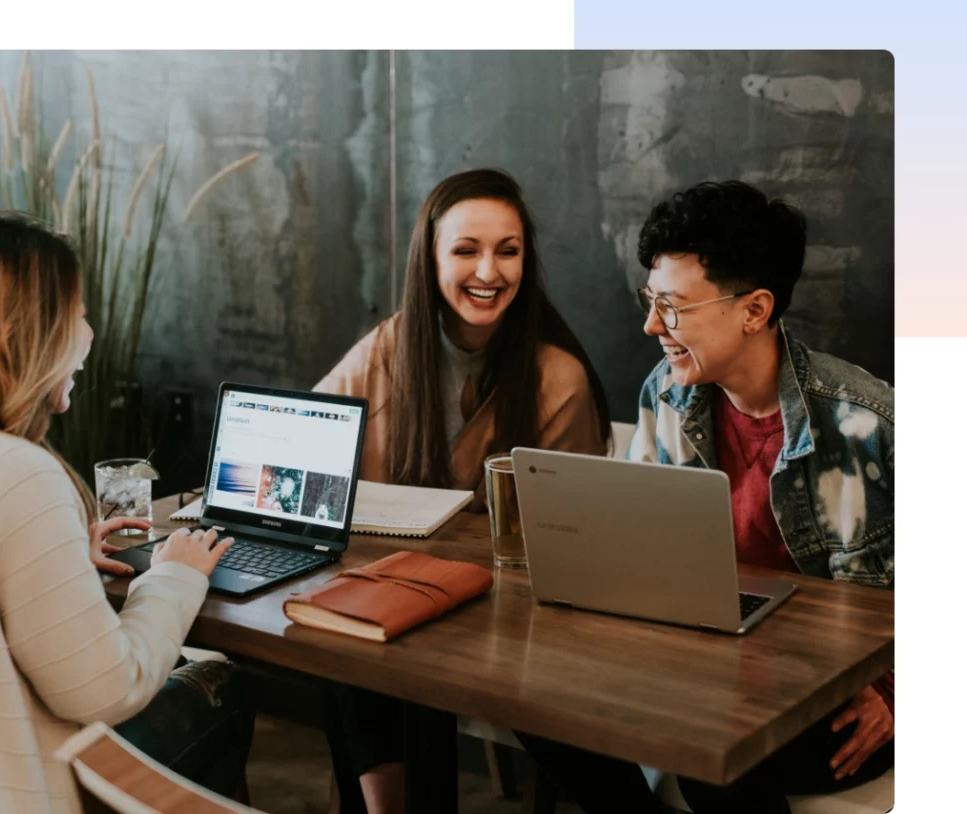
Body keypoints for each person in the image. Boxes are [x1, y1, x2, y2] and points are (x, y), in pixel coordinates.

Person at [518, 180, 894, 814]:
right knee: (533, 702)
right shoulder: (666, 394)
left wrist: (896, 689)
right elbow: (637, 550)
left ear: (754, 310)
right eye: (650, 300)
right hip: (705, 665)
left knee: (706, 740)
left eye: (672, 306)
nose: (650, 325)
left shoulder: (867, 422)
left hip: (834, 694)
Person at [315, 168, 612, 813]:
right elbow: (313, 436)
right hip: (395, 597)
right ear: (431, 258)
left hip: (507, 617)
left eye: (508, 251)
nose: (489, 271)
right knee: (346, 635)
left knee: (383, 650)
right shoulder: (392, 346)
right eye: (466, 250)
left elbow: (569, 538)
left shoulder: (555, 377)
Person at [0, 212, 254, 814]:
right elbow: (105, 690)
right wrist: (174, 576)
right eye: (77, 314)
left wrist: (56, 556)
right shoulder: (16, 474)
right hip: (20, 791)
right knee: (222, 686)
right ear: (19, 335)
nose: (89, 333)